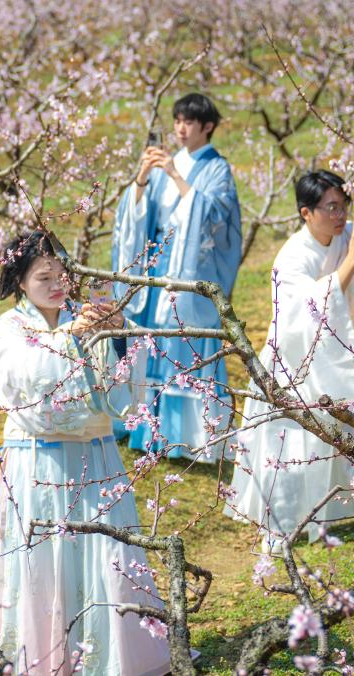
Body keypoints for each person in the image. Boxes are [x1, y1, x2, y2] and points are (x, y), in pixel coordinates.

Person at [0, 232, 170, 676]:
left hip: (96, 455)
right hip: (39, 460)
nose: (55, 284)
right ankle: (45, 655)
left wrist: (117, 335)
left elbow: (119, 395)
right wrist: (74, 336)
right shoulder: (8, 328)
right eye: (42, 276)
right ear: (21, 282)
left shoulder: (84, 317)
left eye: (61, 274)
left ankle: (115, 655)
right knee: (44, 559)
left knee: (108, 550)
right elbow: (22, 379)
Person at [223, 169, 354, 552]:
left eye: (344, 206)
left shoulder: (350, 236)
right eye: (331, 207)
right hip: (295, 363)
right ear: (306, 213)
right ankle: (280, 528)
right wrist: (351, 260)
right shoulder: (292, 256)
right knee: (290, 444)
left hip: (342, 355)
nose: (340, 215)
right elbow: (303, 313)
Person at [112, 92, 242, 461]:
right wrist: (142, 177)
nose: (181, 128)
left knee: (184, 345)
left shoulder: (217, 168)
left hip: (191, 276)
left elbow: (217, 219)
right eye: (178, 121)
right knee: (152, 345)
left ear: (208, 126)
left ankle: (192, 438)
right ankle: (146, 432)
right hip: (157, 273)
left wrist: (174, 175)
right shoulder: (165, 163)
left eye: (189, 122)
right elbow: (136, 215)